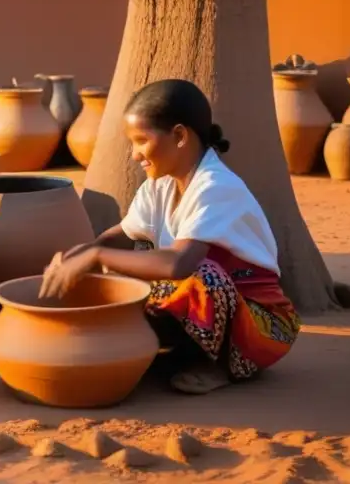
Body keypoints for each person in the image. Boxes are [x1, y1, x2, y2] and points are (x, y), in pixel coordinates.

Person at [40, 79, 300, 395]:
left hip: (261, 327)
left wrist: (96, 257)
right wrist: (83, 253)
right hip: (210, 307)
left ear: (179, 136)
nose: (135, 155)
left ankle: (216, 365)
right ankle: (180, 353)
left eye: (141, 141)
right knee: (127, 265)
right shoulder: (159, 186)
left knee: (201, 273)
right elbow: (122, 235)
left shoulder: (216, 186)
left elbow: (180, 264)